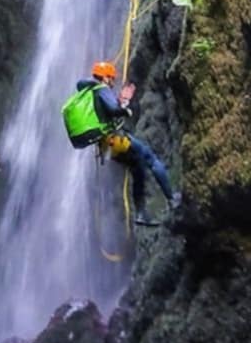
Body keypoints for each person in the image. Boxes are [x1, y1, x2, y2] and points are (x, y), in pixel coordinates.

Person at [62, 60, 181, 225]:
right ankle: (172, 198)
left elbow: (105, 113)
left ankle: (141, 213)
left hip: (106, 148)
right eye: (111, 78)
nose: (112, 82)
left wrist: (121, 102)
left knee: (137, 168)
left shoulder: (89, 91)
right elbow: (112, 110)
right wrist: (125, 109)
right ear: (105, 77)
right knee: (150, 157)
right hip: (115, 140)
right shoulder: (101, 89)